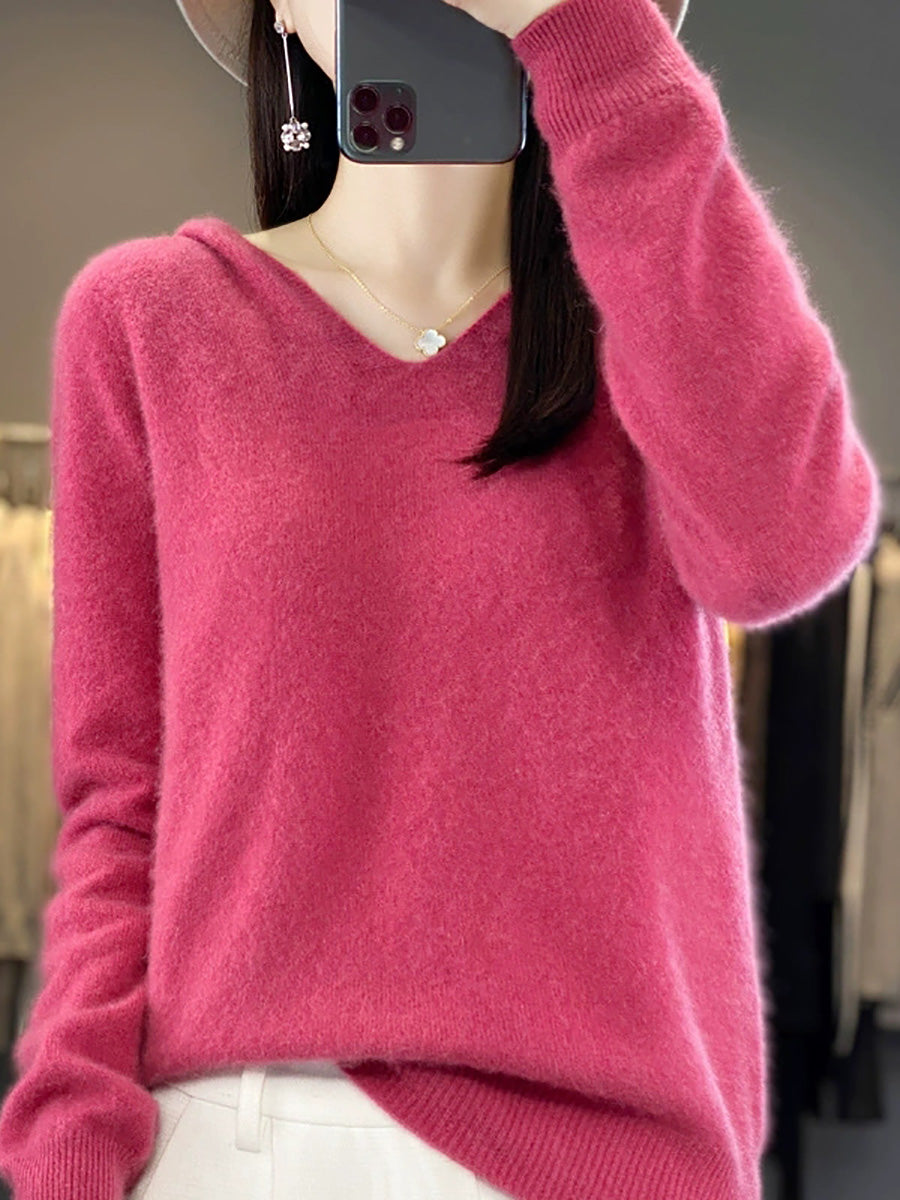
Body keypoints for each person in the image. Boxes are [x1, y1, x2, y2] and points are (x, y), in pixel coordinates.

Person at [0, 0, 883, 1198]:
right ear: (280, 17)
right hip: (237, 1137)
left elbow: (785, 547)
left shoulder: (656, 338)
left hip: (606, 1157)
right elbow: (120, 802)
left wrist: (595, 43)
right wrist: (68, 1146)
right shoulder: (150, 320)